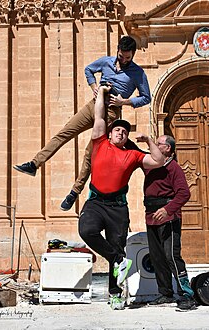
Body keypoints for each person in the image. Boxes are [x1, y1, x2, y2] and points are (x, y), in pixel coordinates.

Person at [13, 36, 151, 210]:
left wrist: (125, 102)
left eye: (128, 58)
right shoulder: (106, 61)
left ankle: (74, 193)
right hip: (94, 104)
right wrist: (93, 86)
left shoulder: (137, 73)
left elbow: (146, 97)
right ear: (118, 50)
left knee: (89, 152)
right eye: (121, 56)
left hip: (111, 111)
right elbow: (88, 70)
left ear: (133, 55)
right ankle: (34, 164)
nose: (123, 60)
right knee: (65, 132)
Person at [78, 84, 164, 310]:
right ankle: (117, 260)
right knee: (87, 231)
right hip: (96, 202)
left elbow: (158, 161)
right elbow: (99, 114)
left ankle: (115, 294)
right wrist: (103, 94)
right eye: (117, 129)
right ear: (110, 131)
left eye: (125, 132)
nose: (121, 132)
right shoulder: (100, 142)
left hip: (117, 207)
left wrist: (149, 142)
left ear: (127, 138)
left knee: (117, 248)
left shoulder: (133, 155)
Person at [143, 135, 196, 310]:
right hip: (151, 217)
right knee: (157, 257)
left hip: (169, 218)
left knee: (172, 256)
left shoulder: (174, 168)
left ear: (168, 149)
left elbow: (184, 193)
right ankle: (165, 293)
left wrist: (168, 210)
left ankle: (186, 294)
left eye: (159, 144)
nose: (156, 146)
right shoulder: (151, 165)